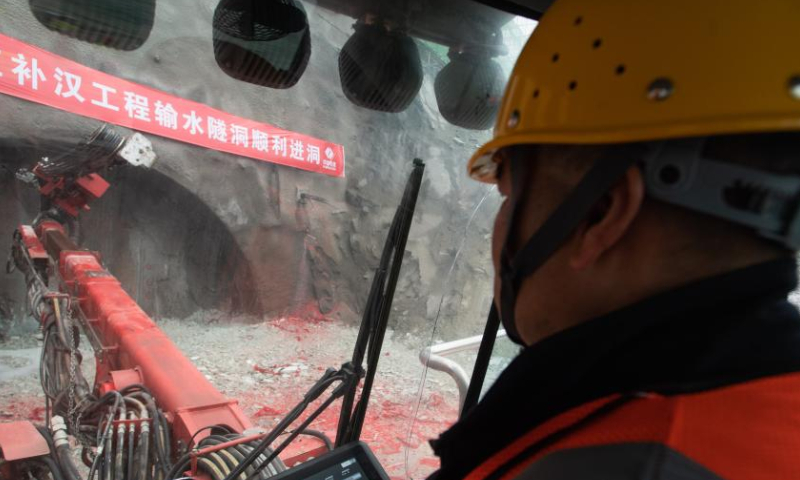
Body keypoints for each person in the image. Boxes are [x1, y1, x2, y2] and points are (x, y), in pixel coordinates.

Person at [428, 0, 800, 479]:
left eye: (507, 193)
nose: (497, 227)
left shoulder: (619, 462)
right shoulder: (768, 400)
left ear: (601, 212)